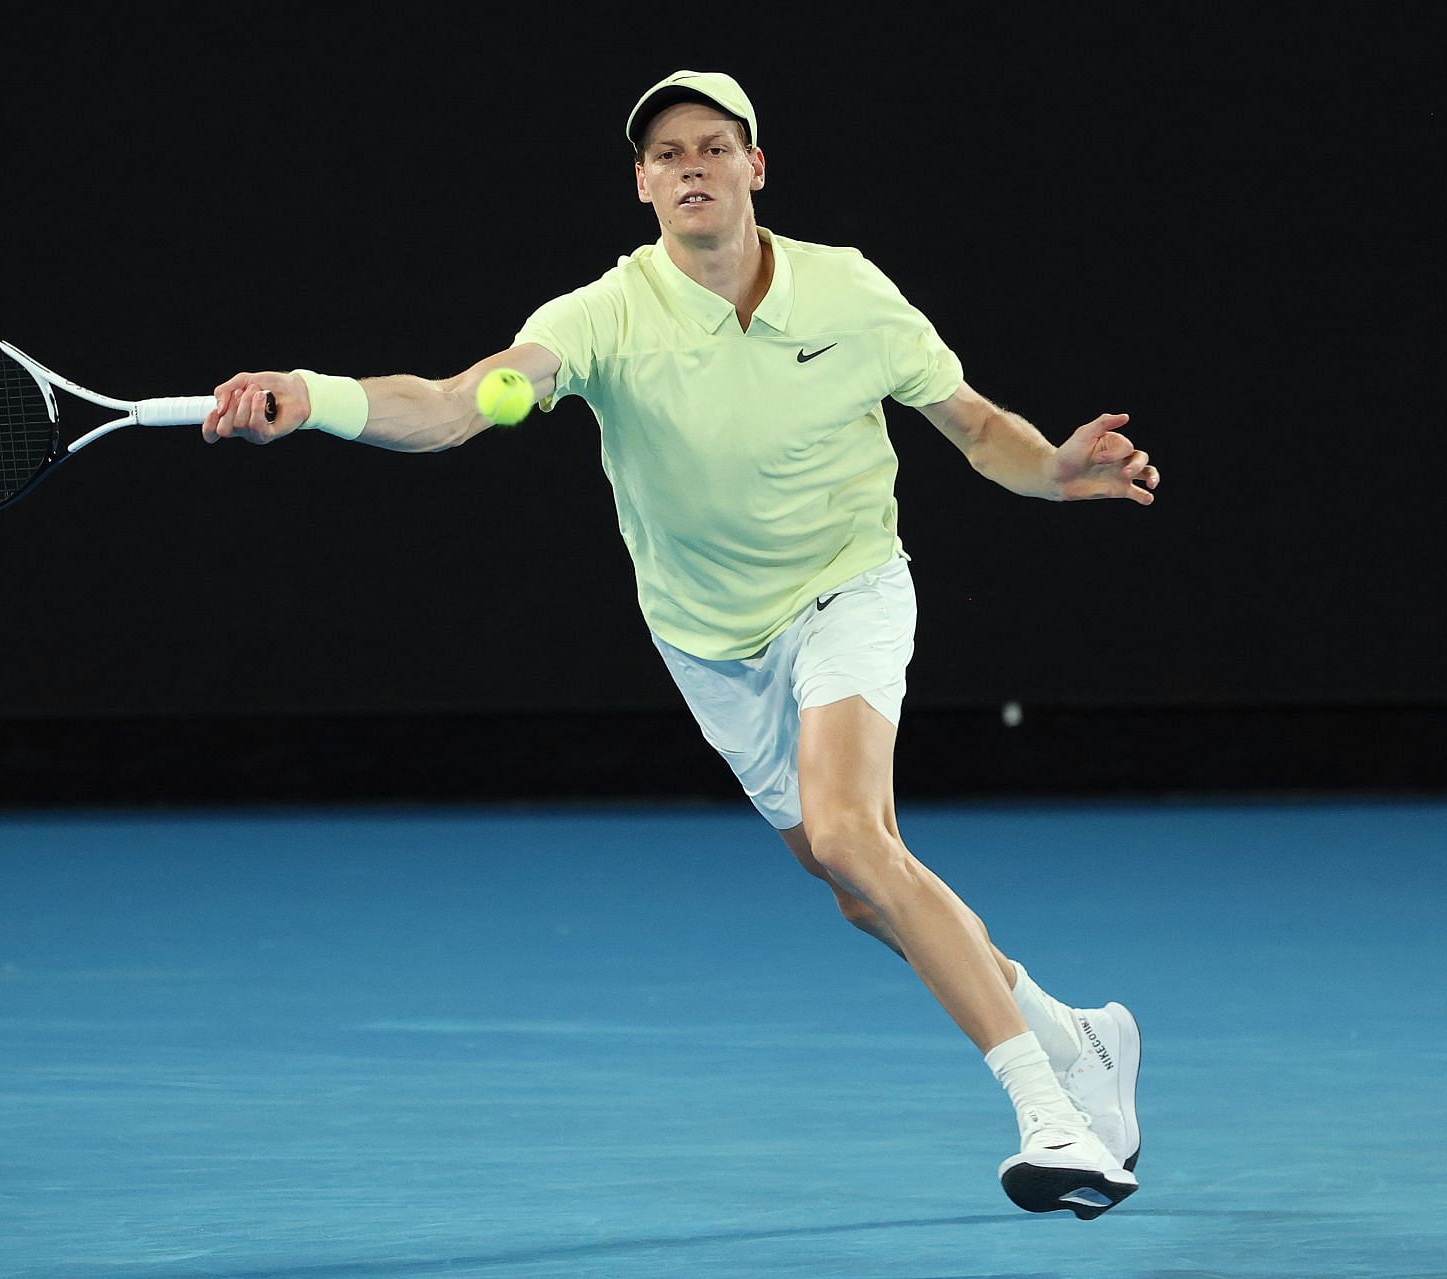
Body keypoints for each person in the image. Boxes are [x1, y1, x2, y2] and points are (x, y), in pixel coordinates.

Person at [200, 69, 1158, 1219]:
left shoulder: (851, 293)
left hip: (849, 585)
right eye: (666, 154)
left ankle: (1053, 1117)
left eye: (714, 145)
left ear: (757, 167)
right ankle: (1082, 1037)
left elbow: (973, 426)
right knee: (856, 886)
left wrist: (1053, 470)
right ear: (643, 184)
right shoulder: (598, 317)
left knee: (856, 836)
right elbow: (455, 404)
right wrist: (313, 396)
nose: (691, 164)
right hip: (710, 642)